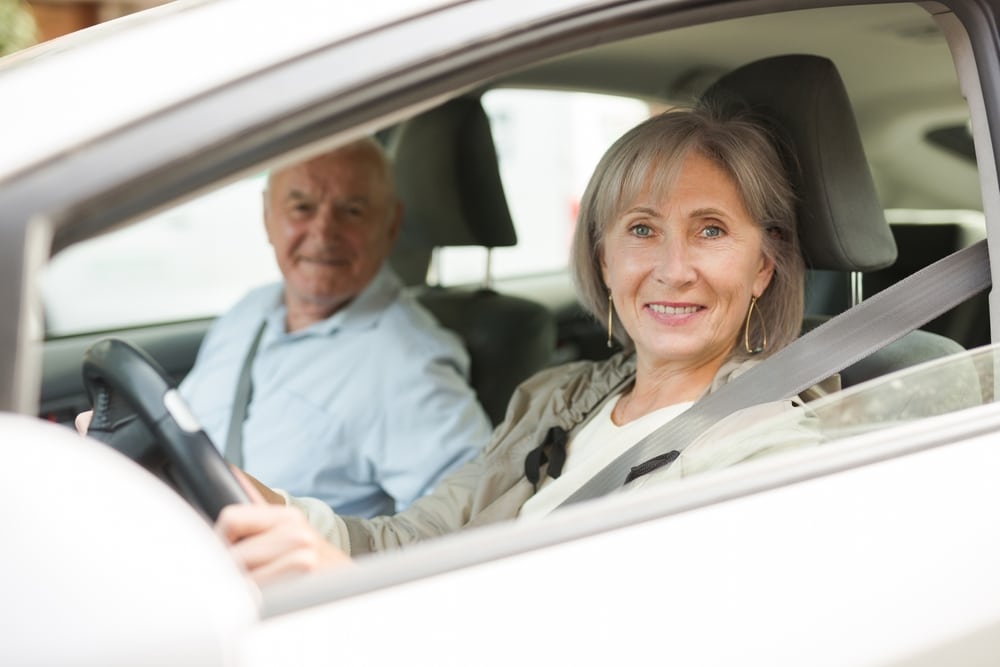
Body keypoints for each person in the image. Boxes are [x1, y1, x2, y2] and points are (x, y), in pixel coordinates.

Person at [216, 104, 833, 584]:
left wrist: (353, 595)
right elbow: (414, 540)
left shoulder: (764, 451)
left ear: (763, 268)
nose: (673, 268)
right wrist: (261, 503)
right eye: (642, 229)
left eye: (711, 231)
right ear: (605, 260)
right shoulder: (557, 400)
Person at [166, 138, 492, 517]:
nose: (322, 232)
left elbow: (473, 515)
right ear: (267, 217)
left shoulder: (409, 364)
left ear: (391, 225)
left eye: (352, 211)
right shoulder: (250, 310)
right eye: (301, 207)